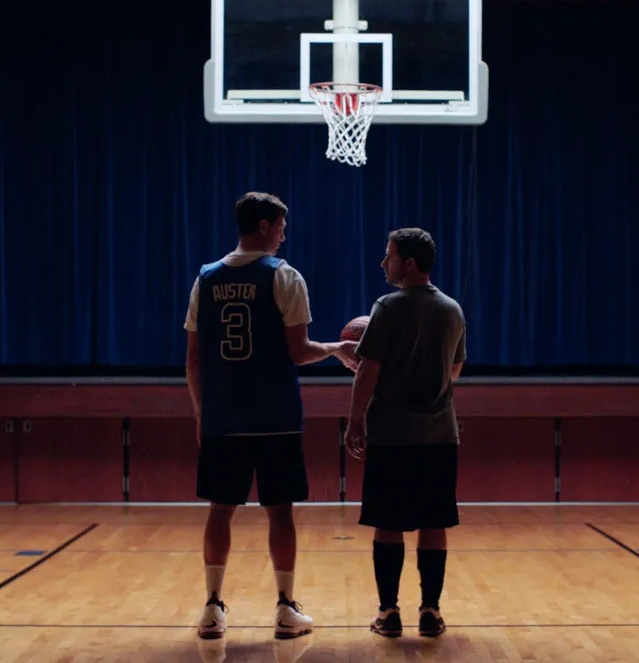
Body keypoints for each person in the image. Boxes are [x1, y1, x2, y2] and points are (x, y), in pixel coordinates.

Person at [184, 191, 359, 641]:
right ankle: (284, 607)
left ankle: (212, 608)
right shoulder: (284, 276)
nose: (284, 233)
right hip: (275, 416)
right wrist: (337, 349)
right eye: (281, 225)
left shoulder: (204, 279)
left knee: (219, 511)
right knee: (280, 512)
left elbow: (194, 359)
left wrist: (202, 413)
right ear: (263, 225)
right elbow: (298, 352)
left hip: (223, 416)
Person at [344, 227, 466, 639]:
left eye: (389, 257)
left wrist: (355, 420)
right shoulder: (453, 309)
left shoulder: (387, 307)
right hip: (439, 436)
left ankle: (388, 612)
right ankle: (430, 611)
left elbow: (369, 370)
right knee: (434, 525)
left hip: (393, 436)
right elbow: (455, 370)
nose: (384, 264)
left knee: (388, 523)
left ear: (408, 264)